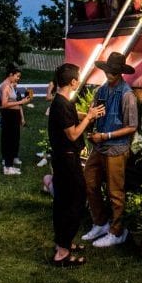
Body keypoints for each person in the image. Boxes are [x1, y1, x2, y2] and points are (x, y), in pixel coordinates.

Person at [48, 63, 104, 267]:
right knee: (74, 201)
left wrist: (88, 114)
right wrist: (88, 117)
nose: (79, 81)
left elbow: (71, 117)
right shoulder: (61, 105)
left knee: (63, 201)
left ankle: (63, 243)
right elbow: (72, 134)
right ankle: (62, 253)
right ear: (73, 82)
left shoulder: (62, 101)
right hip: (67, 160)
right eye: (78, 78)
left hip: (63, 158)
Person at [82, 52, 138, 247]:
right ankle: (100, 223)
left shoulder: (127, 95)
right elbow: (94, 114)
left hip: (117, 149)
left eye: (113, 72)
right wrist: (91, 124)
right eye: (107, 71)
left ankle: (117, 232)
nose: (109, 75)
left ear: (120, 73)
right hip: (99, 146)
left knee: (115, 192)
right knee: (89, 182)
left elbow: (132, 126)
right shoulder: (101, 91)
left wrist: (106, 136)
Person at [0, 63, 32, 176]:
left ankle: (9, 165)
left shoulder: (10, 85)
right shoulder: (5, 86)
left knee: (12, 140)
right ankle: (7, 168)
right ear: (11, 74)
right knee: (9, 140)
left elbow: (11, 100)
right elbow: (4, 104)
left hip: (13, 116)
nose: (18, 78)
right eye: (17, 76)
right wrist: (21, 102)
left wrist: (22, 101)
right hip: (9, 116)